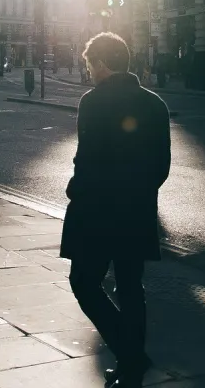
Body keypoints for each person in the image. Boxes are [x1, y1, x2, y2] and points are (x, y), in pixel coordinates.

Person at [61, 33, 171, 387]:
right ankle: (132, 360)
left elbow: (87, 159)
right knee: (130, 287)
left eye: (90, 65)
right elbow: (162, 167)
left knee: (84, 283)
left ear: (103, 64)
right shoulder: (155, 104)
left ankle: (130, 353)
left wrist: (75, 189)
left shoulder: (93, 102)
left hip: (97, 213)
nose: (89, 72)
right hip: (137, 211)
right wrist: (138, 192)